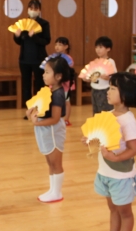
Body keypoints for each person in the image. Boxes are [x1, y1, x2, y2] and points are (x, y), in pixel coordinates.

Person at [87, 72, 136, 231]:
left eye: (113, 88)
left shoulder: (128, 120)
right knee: (113, 209)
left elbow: (134, 149)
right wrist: (90, 139)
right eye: (109, 87)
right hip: (105, 172)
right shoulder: (108, 115)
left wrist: (115, 157)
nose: (108, 91)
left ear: (126, 95)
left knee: (125, 212)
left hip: (121, 175)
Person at [28, 57, 73, 203]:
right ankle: (52, 190)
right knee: (50, 163)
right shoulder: (50, 90)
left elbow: (55, 118)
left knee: (56, 163)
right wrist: (32, 111)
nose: (43, 75)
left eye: (47, 72)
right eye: (44, 72)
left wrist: (36, 123)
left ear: (58, 76)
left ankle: (57, 192)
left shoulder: (58, 94)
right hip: (46, 130)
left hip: (53, 131)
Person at [14, 0, 51, 114]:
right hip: (24, 60)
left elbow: (46, 41)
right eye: (31, 8)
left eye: (35, 8)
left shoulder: (44, 24)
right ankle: (29, 111)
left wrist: (34, 36)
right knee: (26, 85)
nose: (33, 11)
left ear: (39, 10)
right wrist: (16, 36)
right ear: (27, 9)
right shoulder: (23, 23)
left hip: (39, 59)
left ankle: (40, 110)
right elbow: (19, 42)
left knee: (40, 84)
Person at [40, 37, 75, 125]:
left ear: (66, 46)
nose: (57, 46)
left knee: (66, 101)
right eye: (56, 44)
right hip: (55, 83)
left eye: (60, 45)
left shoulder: (68, 58)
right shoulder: (53, 57)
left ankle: (66, 119)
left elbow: (68, 70)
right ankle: (56, 116)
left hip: (65, 84)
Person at [83, 36, 118, 114]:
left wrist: (108, 78)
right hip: (94, 90)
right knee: (96, 112)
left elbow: (114, 77)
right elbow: (91, 76)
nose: (98, 49)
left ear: (108, 49)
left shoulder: (110, 61)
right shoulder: (95, 62)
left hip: (105, 90)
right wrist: (87, 78)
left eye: (101, 47)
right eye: (96, 47)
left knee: (106, 112)